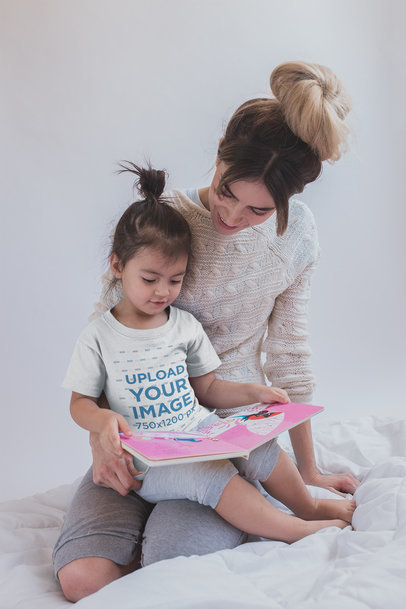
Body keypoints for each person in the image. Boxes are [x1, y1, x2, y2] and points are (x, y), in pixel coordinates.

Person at [54, 61, 359, 602]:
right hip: (139, 438)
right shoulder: (162, 224)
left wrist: (307, 469)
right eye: (226, 192)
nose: (233, 215)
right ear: (220, 152)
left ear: (287, 203)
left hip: (224, 439)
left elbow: (290, 355)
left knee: (172, 570)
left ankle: (254, 507)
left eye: (259, 209)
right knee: (83, 578)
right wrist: (102, 435)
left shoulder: (297, 238)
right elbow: (107, 341)